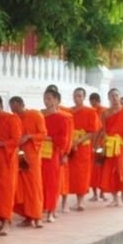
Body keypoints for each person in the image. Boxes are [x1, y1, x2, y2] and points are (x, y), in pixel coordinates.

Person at [0, 94, 22, 236]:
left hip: (7, 161)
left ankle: (7, 222)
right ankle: (0, 220)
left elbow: (17, 140)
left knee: (6, 192)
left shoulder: (11, 118)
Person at [10, 96, 45, 228]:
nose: (14, 112)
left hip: (33, 156)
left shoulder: (36, 115)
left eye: (15, 108)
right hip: (18, 156)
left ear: (20, 104)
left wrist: (30, 136)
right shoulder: (14, 118)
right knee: (21, 188)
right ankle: (27, 216)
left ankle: (37, 216)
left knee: (34, 187)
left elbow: (43, 134)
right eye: (12, 110)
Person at [99, 89, 123, 207]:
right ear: (109, 98)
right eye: (112, 96)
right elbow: (104, 131)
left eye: (116, 95)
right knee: (111, 171)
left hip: (122, 145)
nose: (114, 98)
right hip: (110, 146)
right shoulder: (106, 113)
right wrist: (104, 144)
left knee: (122, 170)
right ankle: (115, 199)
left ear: (120, 97)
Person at [68, 87, 101, 210]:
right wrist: (71, 141)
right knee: (72, 174)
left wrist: (79, 140)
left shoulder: (90, 112)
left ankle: (80, 201)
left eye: (80, 96)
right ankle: (73, 200)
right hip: (71, 146)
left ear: (83, 97)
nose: (77, 98)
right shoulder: (69, 111)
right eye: (75, 96)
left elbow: (92, 131)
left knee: (82, 174)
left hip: (83, 147)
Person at [42, 89, 70, 223]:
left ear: (56, 100)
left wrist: (47, 138)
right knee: (39, 183)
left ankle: (51, 211)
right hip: (39, 154)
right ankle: (39, 209)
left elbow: (63, 139)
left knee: (52, 183)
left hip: (52, 154)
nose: (46, 101)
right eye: (45, 98)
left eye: (49, 98)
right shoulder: (40, 115)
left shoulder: (62, 118)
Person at [88, 92, 107, 201]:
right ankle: (96, 193)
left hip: (100, 144)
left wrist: (96, 144)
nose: (91, 104)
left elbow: (102, 129)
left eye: (92, 102)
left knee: (101, 169)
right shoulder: (92, 112)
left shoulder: (104, 112)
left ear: (94, 101)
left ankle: (101, 193)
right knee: (94, 170)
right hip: (93, 144)